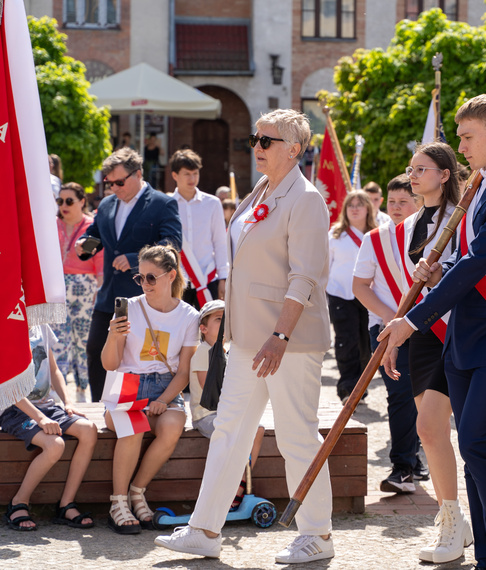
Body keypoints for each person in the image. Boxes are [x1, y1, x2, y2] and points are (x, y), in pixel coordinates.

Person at [155, 109, 335, 564]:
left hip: (286, 339)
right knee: (229, 430)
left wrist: (280, 334)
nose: (257, 145)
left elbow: (305, 277)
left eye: (267, 140)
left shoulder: (306, 198)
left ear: (294, 149)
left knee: (297, 436)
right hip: (249, 338)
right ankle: (205, 528)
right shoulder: (262, 189)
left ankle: (318, 534)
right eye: (255, 137)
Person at [380, 94, 486, 570]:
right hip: (464, 338)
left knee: (475, 443)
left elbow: (478, 263)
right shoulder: (481, 185)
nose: (462, 146)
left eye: (468, 136)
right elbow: (461, 259)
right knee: (475, 452)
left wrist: (411, 321)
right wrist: (435, 269)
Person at [383, 143, 477, 563]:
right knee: (430, 430)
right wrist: (396, 335)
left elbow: (471, 268)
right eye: (411, 168)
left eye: (422, 169)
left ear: (444, 174)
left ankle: (460, 521)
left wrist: (443, 272)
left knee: (455, 431)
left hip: (458, 329)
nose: (413, 175)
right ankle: (453, 520)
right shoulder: (415, 221)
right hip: (423, 332)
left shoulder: (464, 215)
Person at [101, 244, 198, 534]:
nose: (144, 284)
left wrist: (164, 400)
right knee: (134, 425)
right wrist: (112, 336)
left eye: (151, 278)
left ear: (171, 276)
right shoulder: (129, 307)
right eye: (140, 278)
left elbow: (184, 373)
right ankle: (117, 502)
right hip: (127, 383)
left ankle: (137, 491)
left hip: (165, 388)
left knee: (172, 426)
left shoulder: (189, 316)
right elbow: (110, 364)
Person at [76, 148, 182, 402]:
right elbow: (96, 235)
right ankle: (100, 408)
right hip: (110, 296)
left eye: (119, 182)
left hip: (144, 296)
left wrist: (136, 260)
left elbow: (172, 244)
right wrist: (84, 244)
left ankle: (138, 409)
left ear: (138, 174)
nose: (114, 188)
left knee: (136, 358)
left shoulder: (161, 203)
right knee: (96, 351)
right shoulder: (106, 204)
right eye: (109, 183)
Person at [353, 175, 423, 497]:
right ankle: (403, 467)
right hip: (385, 328)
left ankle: (416, 456)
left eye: (403, 202)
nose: (395, 208)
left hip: (425, 325)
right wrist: (388, 317)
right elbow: (359, 286)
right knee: (399, 394)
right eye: (391, 201)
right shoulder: (374, 239)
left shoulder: (430, 235)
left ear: (417, 202)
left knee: (425, 397)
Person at [1, 325, 97, 531]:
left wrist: (68, 402)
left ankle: (66, 504)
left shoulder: (41, 327)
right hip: (15, 410)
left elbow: (53, 370)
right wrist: (41, 418)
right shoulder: (6, 325)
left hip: (47, 407)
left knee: (89, 430)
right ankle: (19, 502)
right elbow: (7, 382)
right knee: (55, 445)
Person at [189, 300, 265, 509]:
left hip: (226, 413)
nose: (224, 324)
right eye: (219, 319)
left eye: (227, 320)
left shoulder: (228, 353)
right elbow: (211, 391)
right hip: (207, 415)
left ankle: (239, 483)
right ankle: (230, 487)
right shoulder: (204, 352)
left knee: (257, 429)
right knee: (237, 432)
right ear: (203, 329)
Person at [55, 182, 103, 395]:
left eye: (69, 201)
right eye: (60, 201)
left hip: (85, 287)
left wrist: (100, 290)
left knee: (83, 339)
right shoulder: (52, 225)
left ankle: (84, 385)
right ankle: (59, 388)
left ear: (82, 202)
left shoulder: (91, 227)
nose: (64, 205)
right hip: (56, 287)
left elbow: (99, 261)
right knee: (58, 337)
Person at [328, 190, 376, 403]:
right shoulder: (335, 236)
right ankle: (347, 388)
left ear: (368, 208)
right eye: (350, 205)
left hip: (369, 296)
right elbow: (324, 267)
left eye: (359, 204)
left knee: (366, 343)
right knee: (346, 341)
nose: (355, 208)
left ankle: (360, 388)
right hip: (340, 294)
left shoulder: (377, 234)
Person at [169, 149, 229, 310]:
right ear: (175, 175)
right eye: (187, 174)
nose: (192, 178)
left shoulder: (213, 203)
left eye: (195, 173)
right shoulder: (166, 204)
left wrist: (223, 277)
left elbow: (220, 242)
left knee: (211, 331)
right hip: (176, 280)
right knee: (179, 332)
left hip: (208, 277)